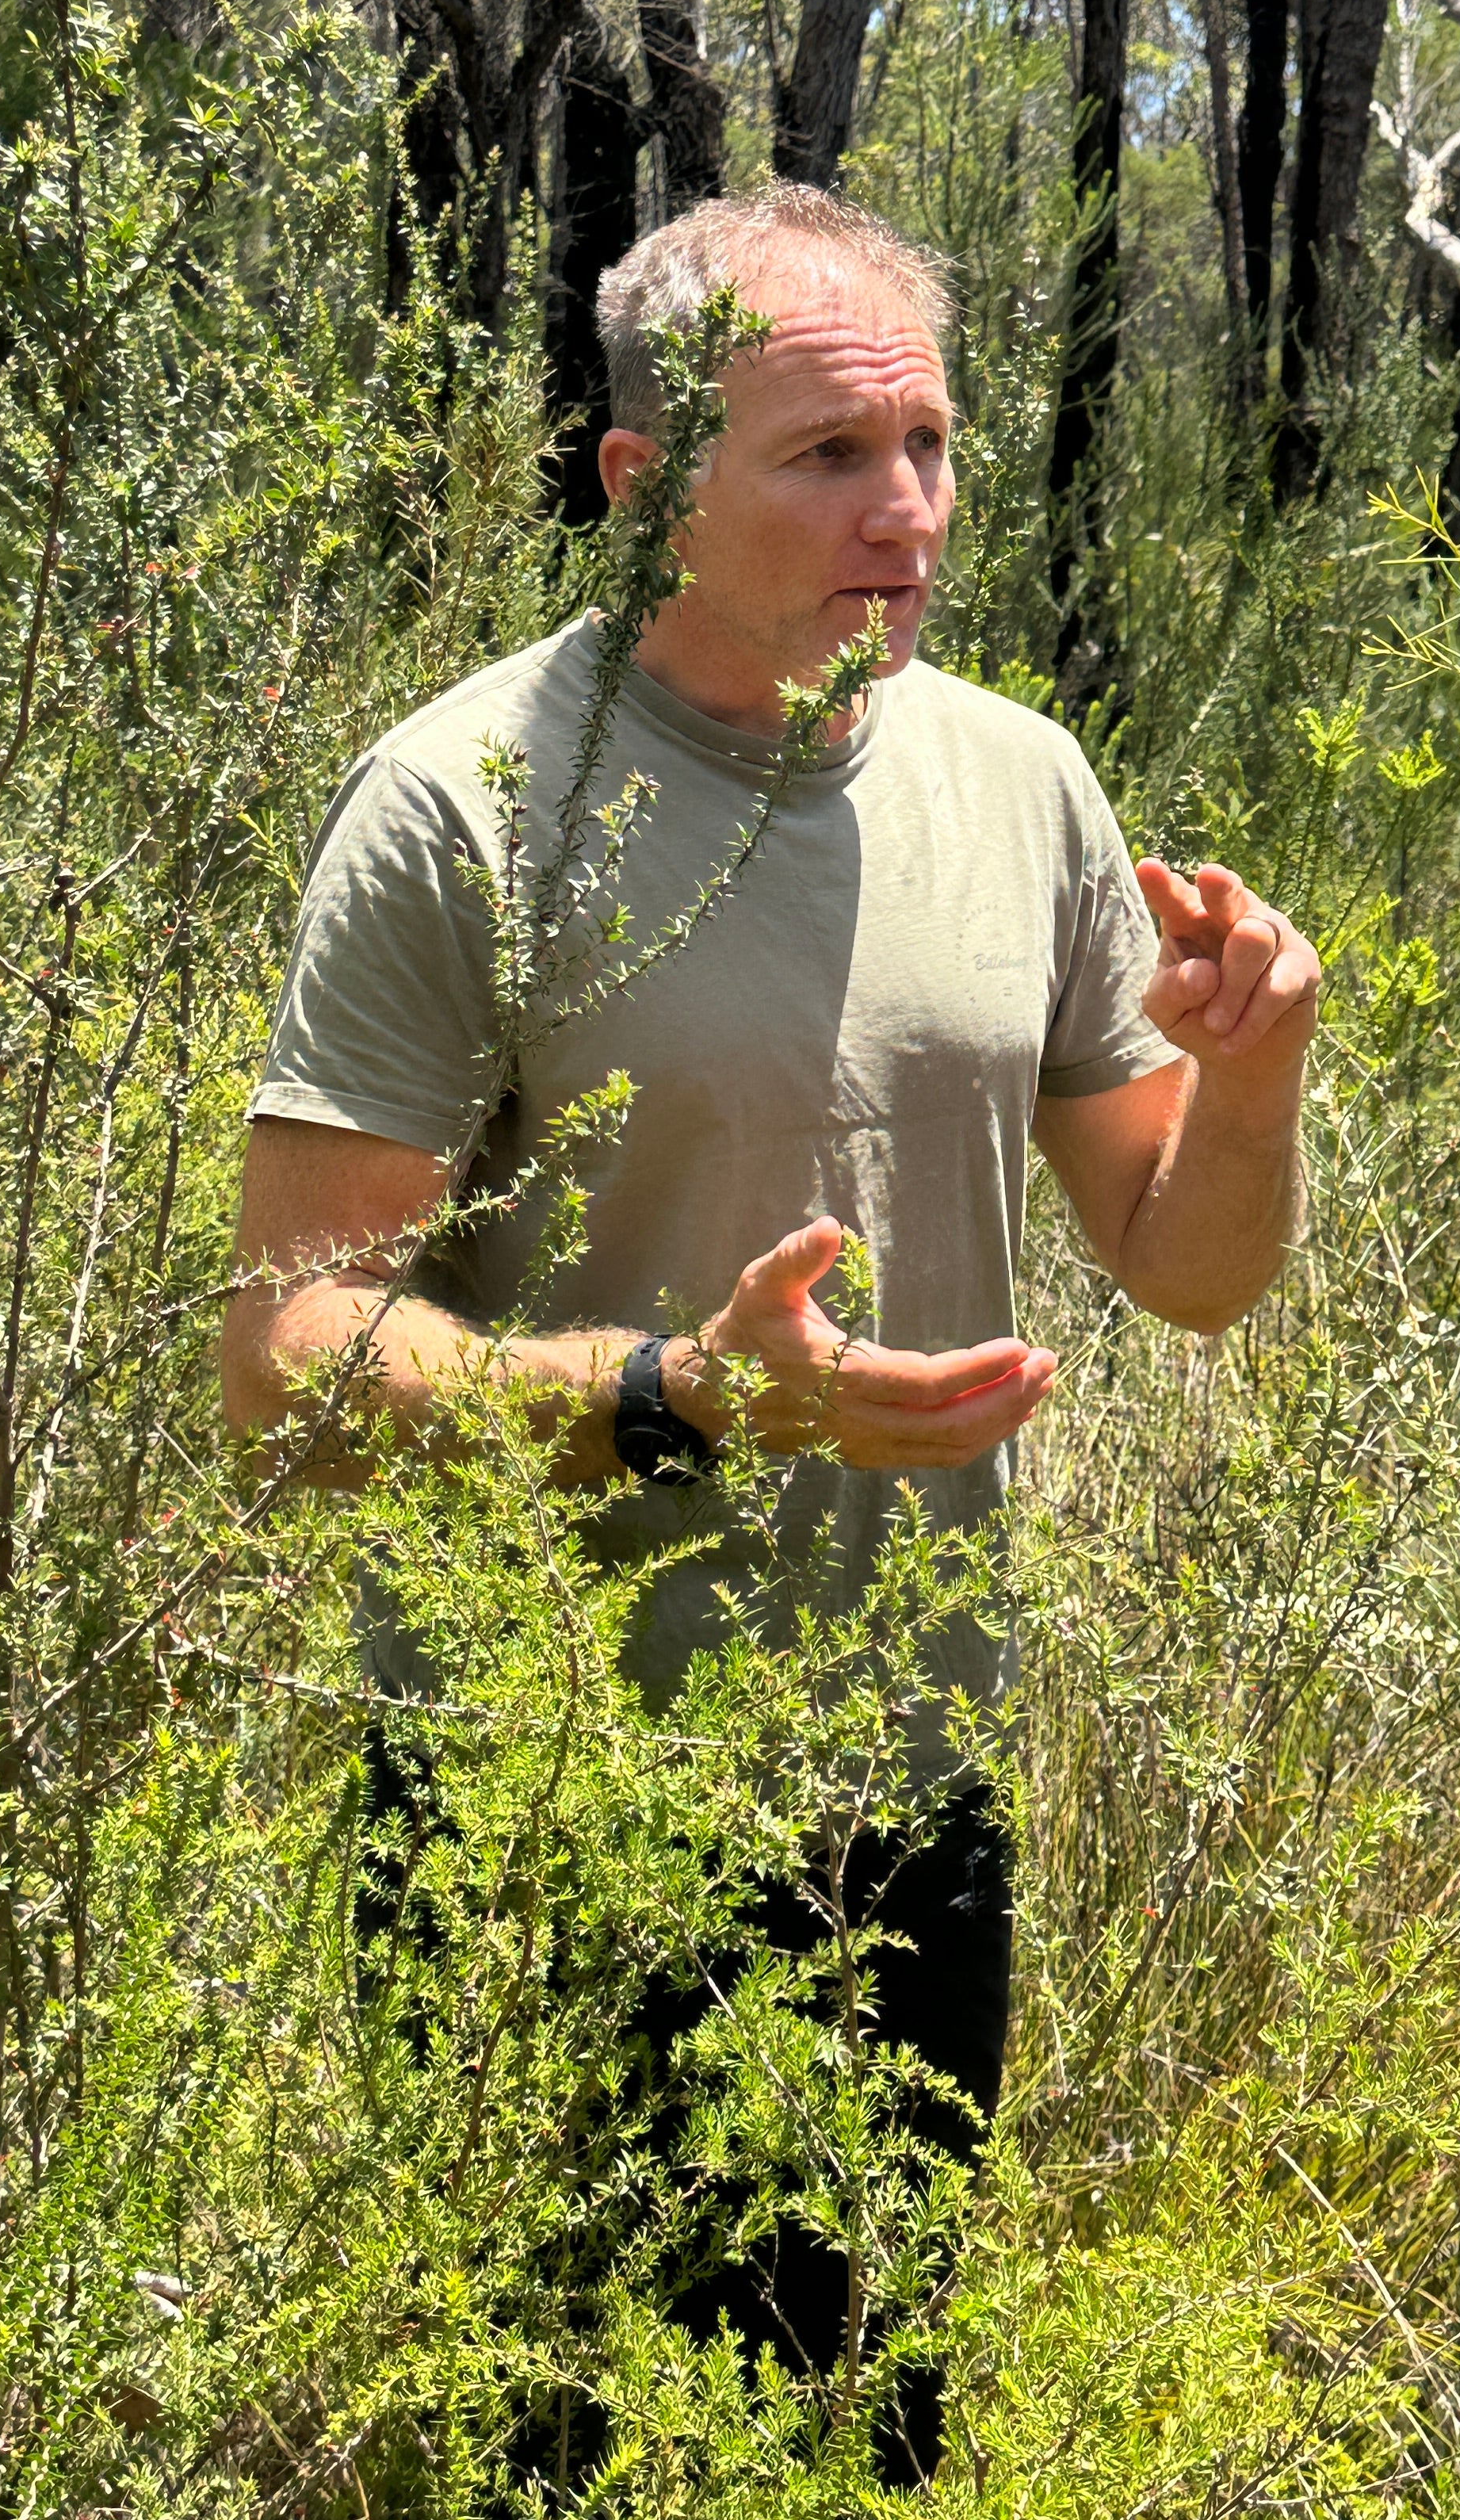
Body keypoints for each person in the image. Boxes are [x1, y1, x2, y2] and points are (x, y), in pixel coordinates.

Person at [222, 181, 1319, 2474]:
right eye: (827, 455)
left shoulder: (1017, 780)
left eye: (927, 445)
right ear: (644, 494)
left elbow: (1190, 1263)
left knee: (864, 2439)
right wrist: (678, 1396)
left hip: (908, 1789)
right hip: (547, 1798)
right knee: (557, 2449)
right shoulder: (462, 808)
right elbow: (291, 1371)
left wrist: (1259, 1069)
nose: (903, 509)